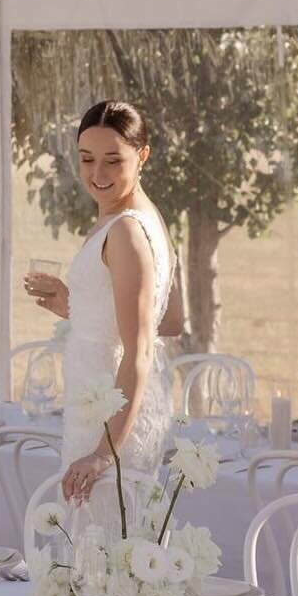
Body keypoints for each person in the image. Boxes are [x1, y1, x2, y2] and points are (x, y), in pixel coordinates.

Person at [24, 100, 183, 505]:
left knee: (102, 551)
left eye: (113, 160)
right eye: (87, 158)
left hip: (110, 420)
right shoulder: (144, 218)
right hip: (98, 405)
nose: (98, 174)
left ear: (142, 155)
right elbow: (171, 319)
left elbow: (142, 348)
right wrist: (77, 305)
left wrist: (101, 453)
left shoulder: (127, 230)